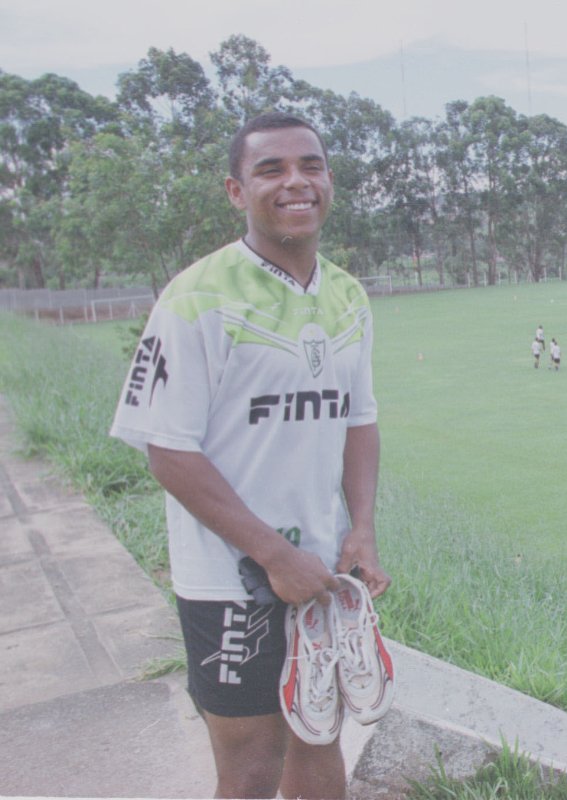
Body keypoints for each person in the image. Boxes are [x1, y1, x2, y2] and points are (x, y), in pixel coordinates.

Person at [110, 112, 389, 800]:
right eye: (271, 169)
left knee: (320, 738)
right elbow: (169, 452)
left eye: (310, 165)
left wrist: (361, 528)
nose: (295, 181)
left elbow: (359, 420)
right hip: (232, 579)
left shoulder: (348, 295)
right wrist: (272, 554)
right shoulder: (198, 298)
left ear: (328, 180)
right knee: (252, 765)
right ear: (236, 191)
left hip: (321, 570)